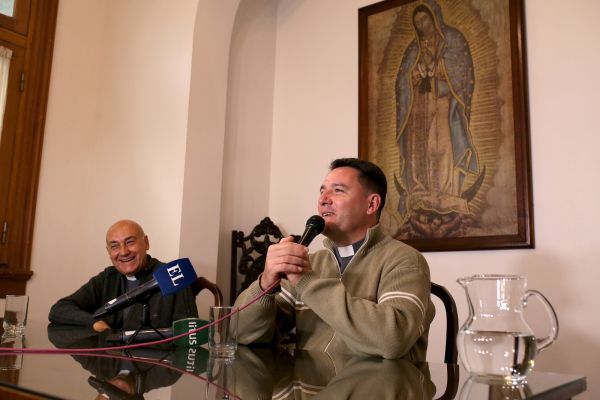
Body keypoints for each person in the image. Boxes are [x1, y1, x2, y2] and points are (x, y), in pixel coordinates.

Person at [234, 158, 435, 360]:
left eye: (338, 190)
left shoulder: (404, 260)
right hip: (313, 389)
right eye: (322, 191)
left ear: (371, 204)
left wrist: (307, 282)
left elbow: (393, 341)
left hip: (377, 389)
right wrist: (265, 283)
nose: (323, 199)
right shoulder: (312, 263)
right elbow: (239, 334)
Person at [395, 1, 482, 234]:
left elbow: (461, 68)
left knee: (442, 146)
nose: (422, 25)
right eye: (418, 22)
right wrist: (415, 74)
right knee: (419, 149)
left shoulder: (452, 40)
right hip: (419, 107)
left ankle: (446, 191)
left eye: (425, 19)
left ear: (434, 18)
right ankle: (421, 189)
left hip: (443, 102)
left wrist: (439, 67)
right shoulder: (413, 49)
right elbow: (403, 80)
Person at [48, 219, 198, 332]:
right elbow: (59, 309)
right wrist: (94, 323)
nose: (124, 252)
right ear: (108, 252)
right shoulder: (108, 277)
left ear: (146, 243)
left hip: (154, 366)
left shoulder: (174, 276)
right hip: (113, 366)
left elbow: (189, 336)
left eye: (130, 242)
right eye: (115, 246)